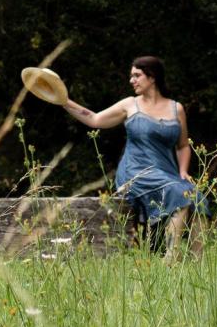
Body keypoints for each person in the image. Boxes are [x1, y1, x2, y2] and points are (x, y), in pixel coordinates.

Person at [61, 55, 204, 255]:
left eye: (137, 75)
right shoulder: (130, 105)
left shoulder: (176, 108)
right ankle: (172, 260)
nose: (132, 80)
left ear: (152, 77)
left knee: (197, 196)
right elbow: (94, 119)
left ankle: (198, 262)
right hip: (135, 171)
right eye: (131, 76)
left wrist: (182, 171)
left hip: (168, 173)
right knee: (179, 193)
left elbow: (183, 146)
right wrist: (64, 101)